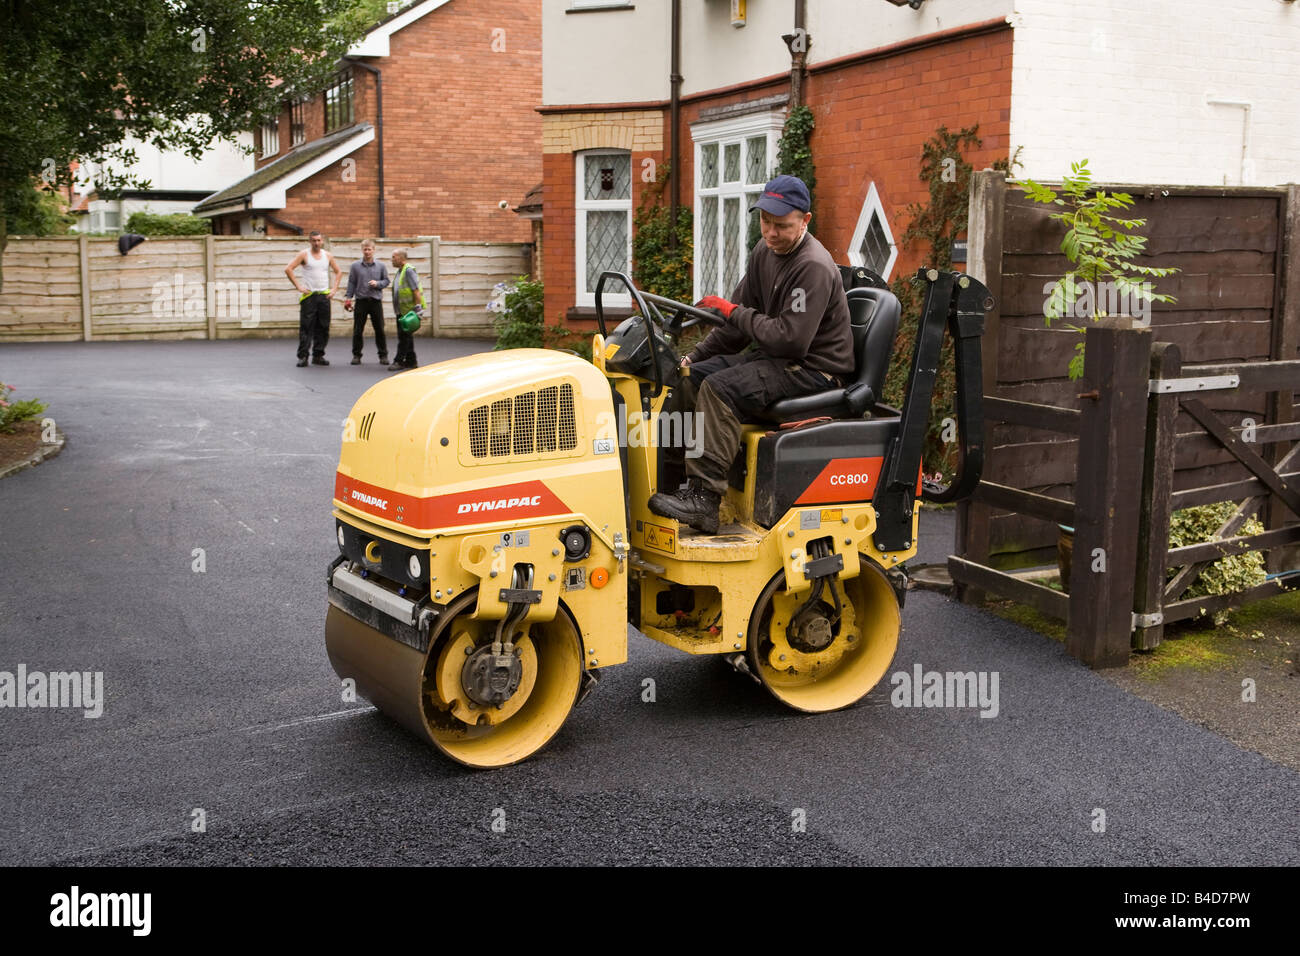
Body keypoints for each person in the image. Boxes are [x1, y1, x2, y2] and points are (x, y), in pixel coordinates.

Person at [648, 174, 853, 534]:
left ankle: (704, 500)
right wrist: (694, 357)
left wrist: (733, 312)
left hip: (813, 370)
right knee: (690, 380)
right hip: (776, 360)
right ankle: (671, 487)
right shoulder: (766, 252)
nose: (771, 233)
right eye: (765, 222)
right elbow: (736, 324)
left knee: (720, 388)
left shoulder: (813, 267)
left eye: (782, 225)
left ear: (805, 221)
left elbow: (789, 340)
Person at [285, 230, 343, 367]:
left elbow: (338, 271)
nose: (316, 243)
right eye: (314, 241)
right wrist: (299, 286)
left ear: (322, 241)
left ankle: (318, 355)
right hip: (309, 296)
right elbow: (288, 269)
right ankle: (303, 356)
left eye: (318, 240)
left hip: (324, 296)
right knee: (306, 327)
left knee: (323, 327)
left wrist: (334, 289)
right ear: (310, 241)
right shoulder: (304, 255)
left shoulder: (327, 256)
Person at [343, 239, 390, 365]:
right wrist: (348, 298)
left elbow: (386, 281)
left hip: (375, 301)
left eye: (369, 249)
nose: (367, 252)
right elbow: (351, 282)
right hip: (361, 301)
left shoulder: (381, 266)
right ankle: (356, 355)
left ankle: (383, 355)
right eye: (365, 249)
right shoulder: (355, 266)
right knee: (358, 330)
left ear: (374, 250)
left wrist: (378, 283)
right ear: (362, 250)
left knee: (379, 329)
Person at [388, 249, 424, 371]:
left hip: (408, 311)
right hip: (401, 310)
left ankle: (398, 361)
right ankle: (411, 361)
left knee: (404, 337)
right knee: (406, 336)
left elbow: (416, 290)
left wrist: (418, 310)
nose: (392, 259)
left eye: (394, 257)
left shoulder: (408, 271)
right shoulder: (400, 271)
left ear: (401, 258)